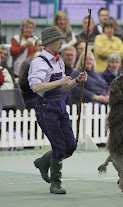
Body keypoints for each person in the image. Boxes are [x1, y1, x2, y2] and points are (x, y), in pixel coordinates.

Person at [28, 26, 87, 195]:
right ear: (48, 42)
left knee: (71, 146)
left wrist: (77, 80)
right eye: (58, 40)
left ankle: (43, 161)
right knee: (60, 146)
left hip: (59, 104)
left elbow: (63, 87)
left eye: (62, 39)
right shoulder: (39, 62)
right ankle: (56, 183)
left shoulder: (58, 61)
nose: (62, 42)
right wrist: (59, 82)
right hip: (45, 107)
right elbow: (36, 87)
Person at [19, 39, 43, 110]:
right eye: (39, 45)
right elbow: (23, 84)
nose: (41, 48)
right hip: (31, 97)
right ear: (35, 47)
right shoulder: (26, 63)